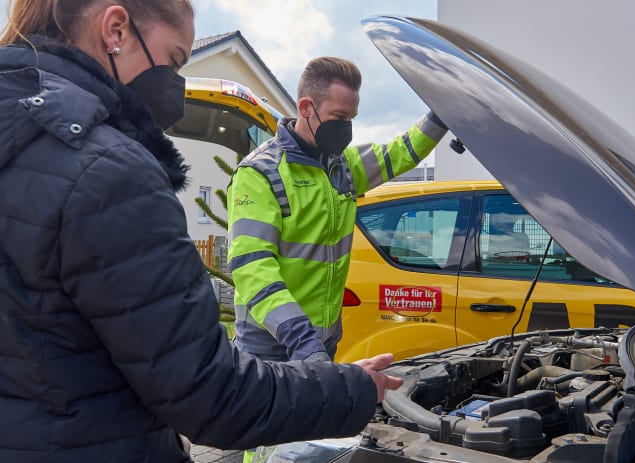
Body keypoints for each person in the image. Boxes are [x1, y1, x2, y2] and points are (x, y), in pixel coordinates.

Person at [0, 2, 402, 462]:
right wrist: (350, 387)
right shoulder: (110, 173)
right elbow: (206, 390)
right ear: (115, 29)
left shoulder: (20, 137)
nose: (176, 86)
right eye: (174, 60)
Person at [227, 57, 448, 364]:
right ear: (306, 107)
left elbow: (401, 153)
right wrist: (300, 338)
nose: (346, 128)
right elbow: (252, 268)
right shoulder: (260, 174)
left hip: (322, 341)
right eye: (339, 116)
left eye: (351, 118)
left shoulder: (343, 165)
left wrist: (440, 118)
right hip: (272, 346)